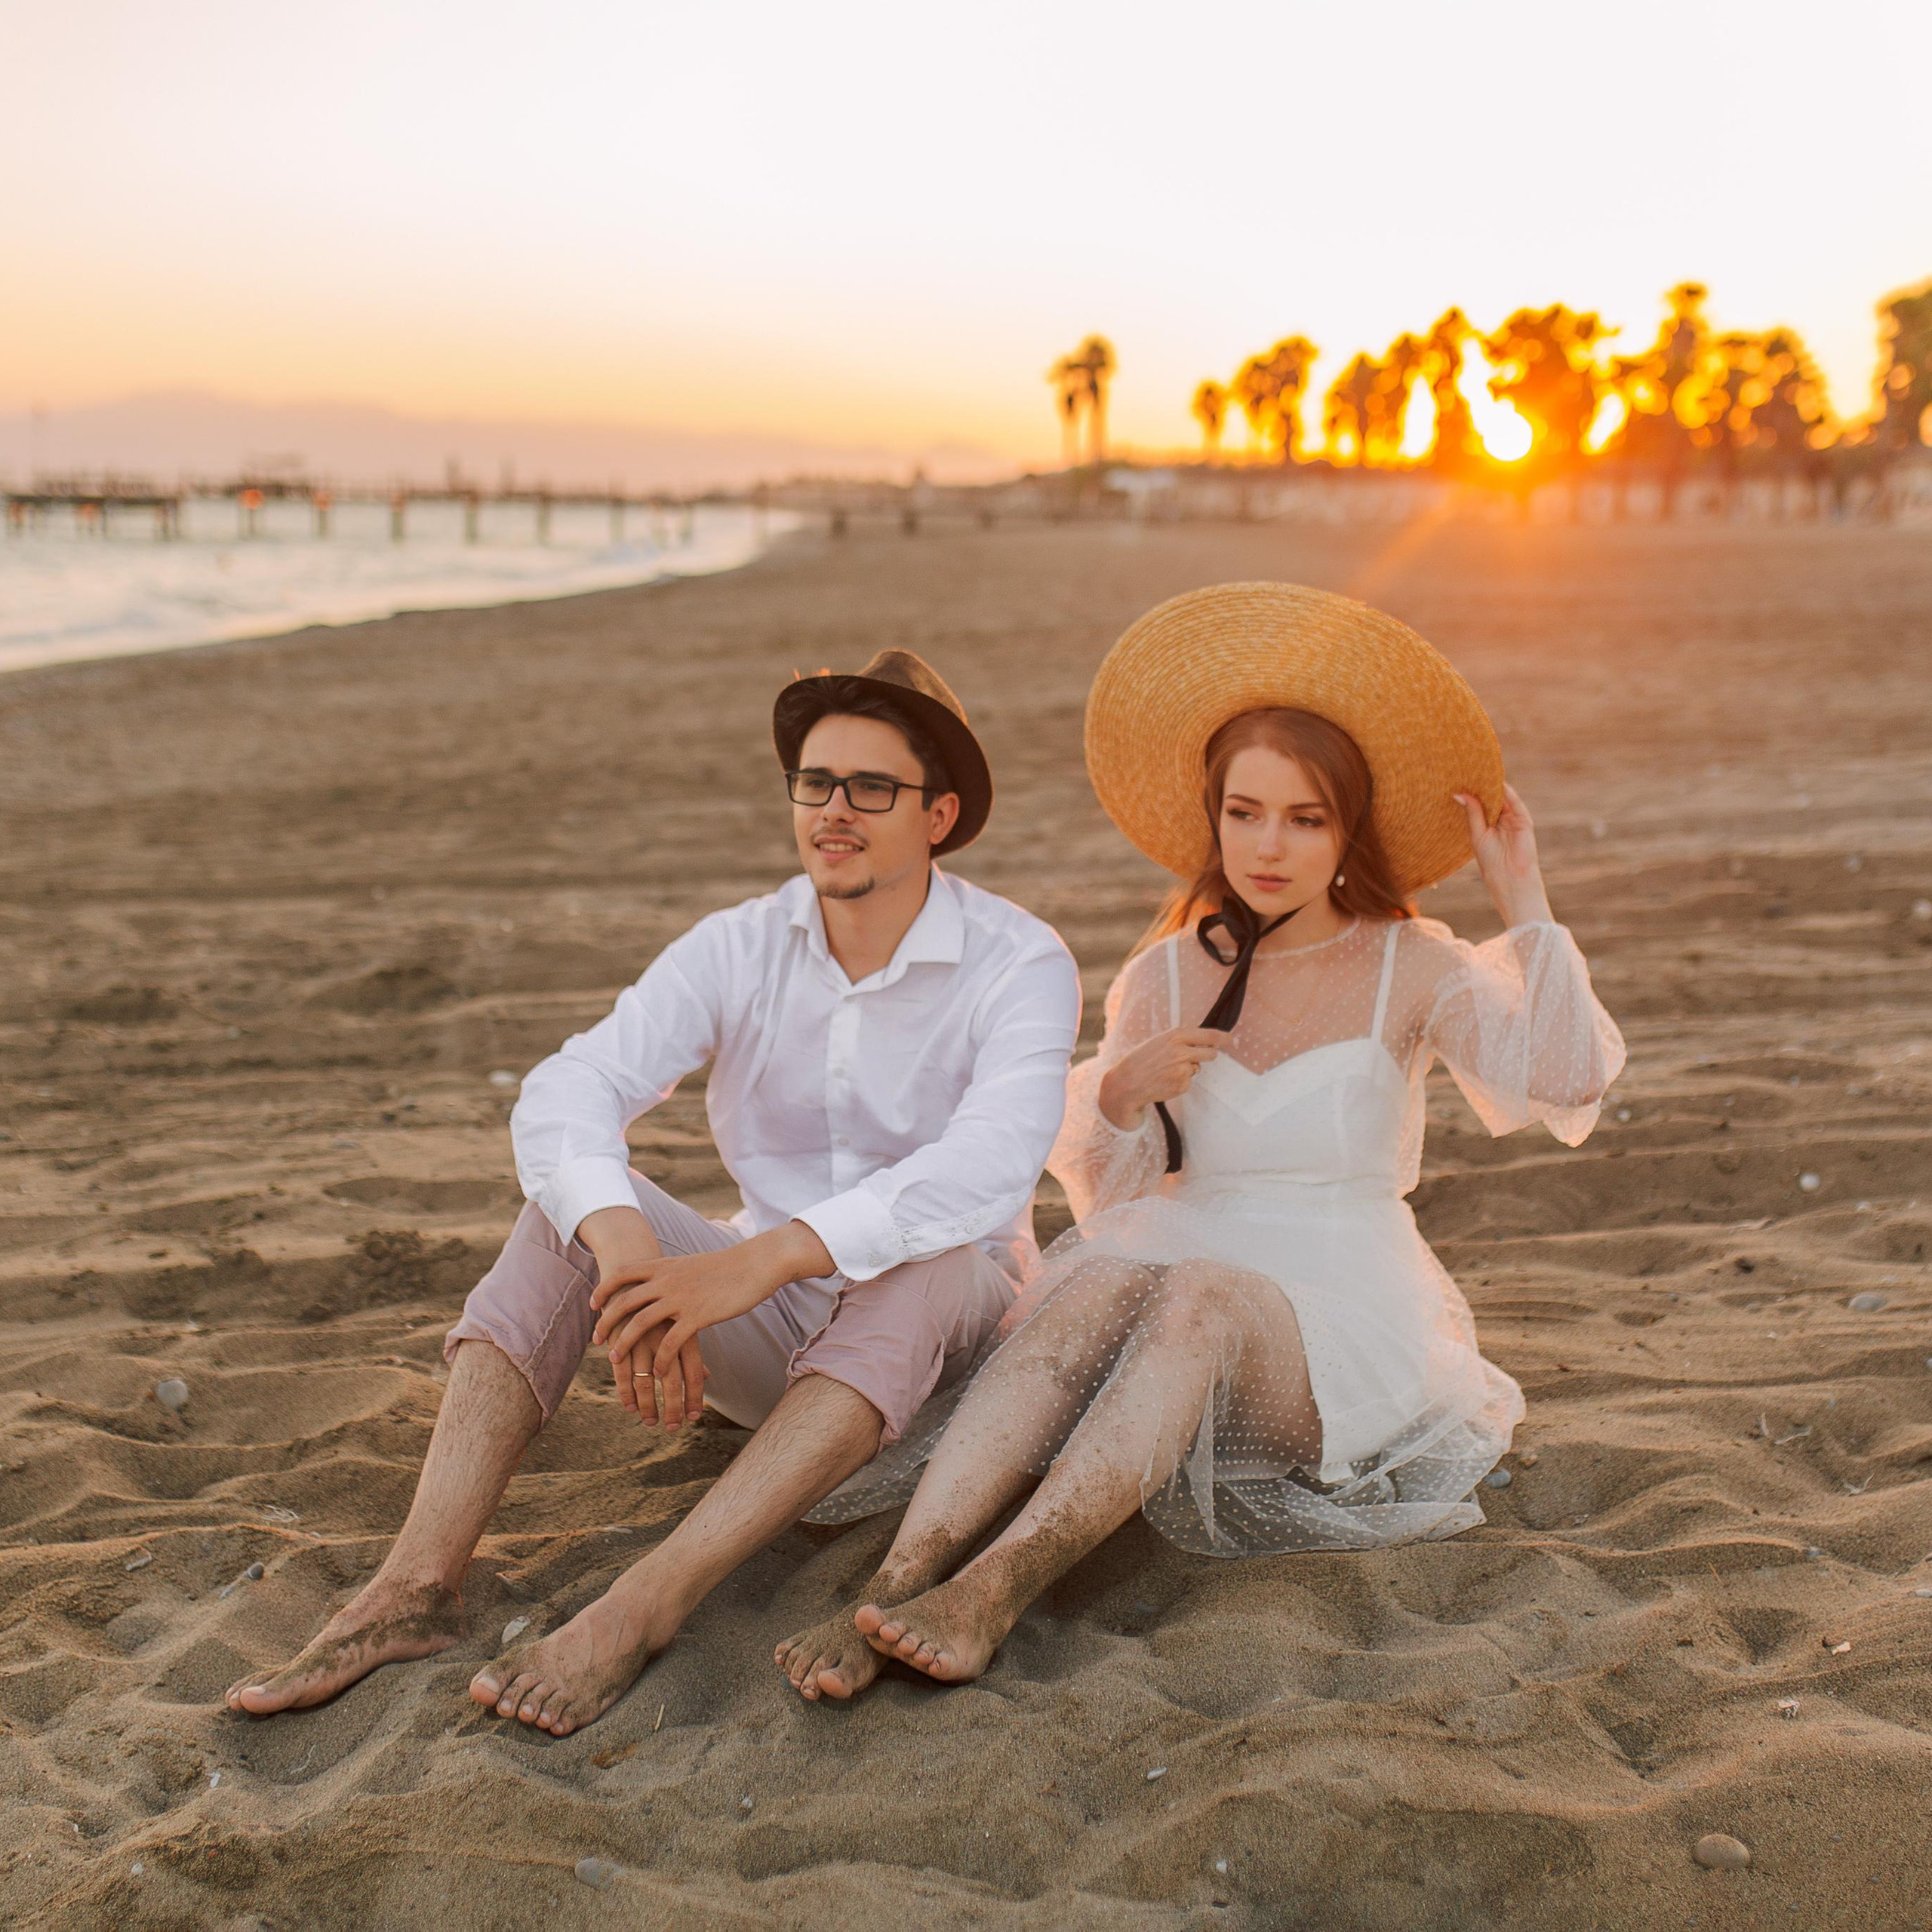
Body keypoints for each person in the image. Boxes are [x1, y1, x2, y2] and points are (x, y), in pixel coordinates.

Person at [776, 580, 1625, 1699]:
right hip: (1176, 1259)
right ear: (1213, 816)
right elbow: (1118, 1197)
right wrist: (1118, 1095)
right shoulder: (1167, 974)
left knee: (1200, 1296)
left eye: (1305, 819)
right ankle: (900, 1577)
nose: (1268, 846)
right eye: (1245, 812)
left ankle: (994, 1590)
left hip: (1338, 1313)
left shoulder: (1409, 963)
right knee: (1092, 1285)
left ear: (1348, 829)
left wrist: (1523, 896)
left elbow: (1567, 1080)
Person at [225, 649, 1080, 1736]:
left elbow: (989, 1162)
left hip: (951, 1356)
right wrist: (629, 1251)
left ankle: (643, 1607)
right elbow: (572, 1085)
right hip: (777, 1346)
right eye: (816, 783)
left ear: (939, 815)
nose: (834, 811)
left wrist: (758, 1259)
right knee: (568, 1211)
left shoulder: (1020, 960)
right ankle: (414, 1589)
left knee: (932, 1261)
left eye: (873, 788)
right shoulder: (741, 944)